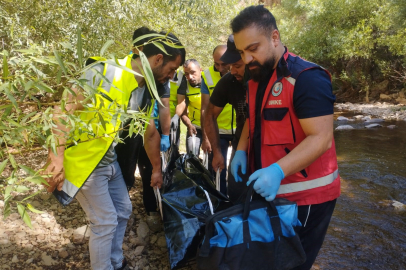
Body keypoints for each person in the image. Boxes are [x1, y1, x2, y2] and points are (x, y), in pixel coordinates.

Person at [44, 26, 184, 270]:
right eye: (172, 69)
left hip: (109, 162)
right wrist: (56, 158)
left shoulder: (144, 88)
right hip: (86, 163)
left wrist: (156, 169)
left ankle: (116, 262)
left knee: (123, 210)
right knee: (105, 221)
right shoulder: (103, 71)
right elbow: (61, 111)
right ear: (158, 59)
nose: (171, 76)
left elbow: (149, 132)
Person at [230, 5, 340, 270]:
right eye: (242, 52)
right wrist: (241, 150)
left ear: (275, 38)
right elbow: (254, 120)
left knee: (293, 263)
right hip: (272, 194)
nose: (247, 59)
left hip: (308, 199)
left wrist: (277, 171)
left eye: (253, 49)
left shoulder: (306, 78)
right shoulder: (255, 77)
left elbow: (321, 138)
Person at [204, 34, 248, 202]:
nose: (232, 71)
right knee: (236, 194)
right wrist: (216, 152)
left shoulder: (266, 79)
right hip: (239, 146)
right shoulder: (229, 82)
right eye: (230, 66)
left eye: (237, 65)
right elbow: (209, 115)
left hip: (265, 149)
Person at [200, 45, 236, 195]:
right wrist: (205, 137)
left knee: (236, 170)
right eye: (216, 64)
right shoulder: (207, 75)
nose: (220, 68)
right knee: (217, 169)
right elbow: (205, 109)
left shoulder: (240, 71)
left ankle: (235, 202)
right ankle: (219, 202)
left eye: (224, 64)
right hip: (217, 130)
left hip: (239, 130)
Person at [175, 59, 204, 155]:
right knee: (192, 155)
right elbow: (182, 107)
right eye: (186, 74)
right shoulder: (184, 83)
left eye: (193, 72)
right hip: (195, 126)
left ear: (200, 70)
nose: (190, 77)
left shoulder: (209, 81)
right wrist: (189, 125)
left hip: (212, 126)